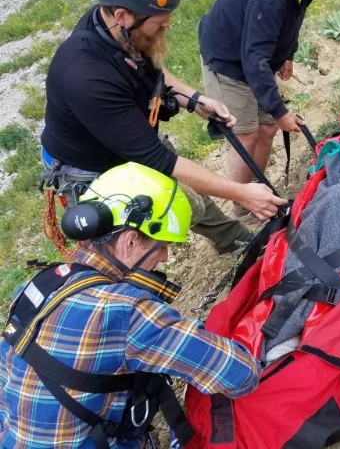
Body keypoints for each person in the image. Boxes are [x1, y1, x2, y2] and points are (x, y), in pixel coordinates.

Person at [40, 0, 286, 255]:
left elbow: (148, 65)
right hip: (92, 168)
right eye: (159, 21)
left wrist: (194, 99)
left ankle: (234, 240)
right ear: (123, 16)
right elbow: (158, 161)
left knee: (187, 190)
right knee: (126, 242)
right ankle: (128, 294)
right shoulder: (85, 77)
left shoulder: (109, 26)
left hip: (125, 135)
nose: (168, 24)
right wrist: (241, 193)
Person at [0, 162, 260, 448]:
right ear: (131, 240)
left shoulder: (36, 286)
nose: (164, 257)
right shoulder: (127, 311)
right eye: (161, 245)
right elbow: (239, 374)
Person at [198, 0, 340, 215]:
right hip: (228, 62)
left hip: (255, 58)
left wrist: (288, 53)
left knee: (267, 128)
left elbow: (292, 19)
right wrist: (279, 110)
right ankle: (244, 206)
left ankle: (258, 190)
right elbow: (253, 60)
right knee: (247, 135)